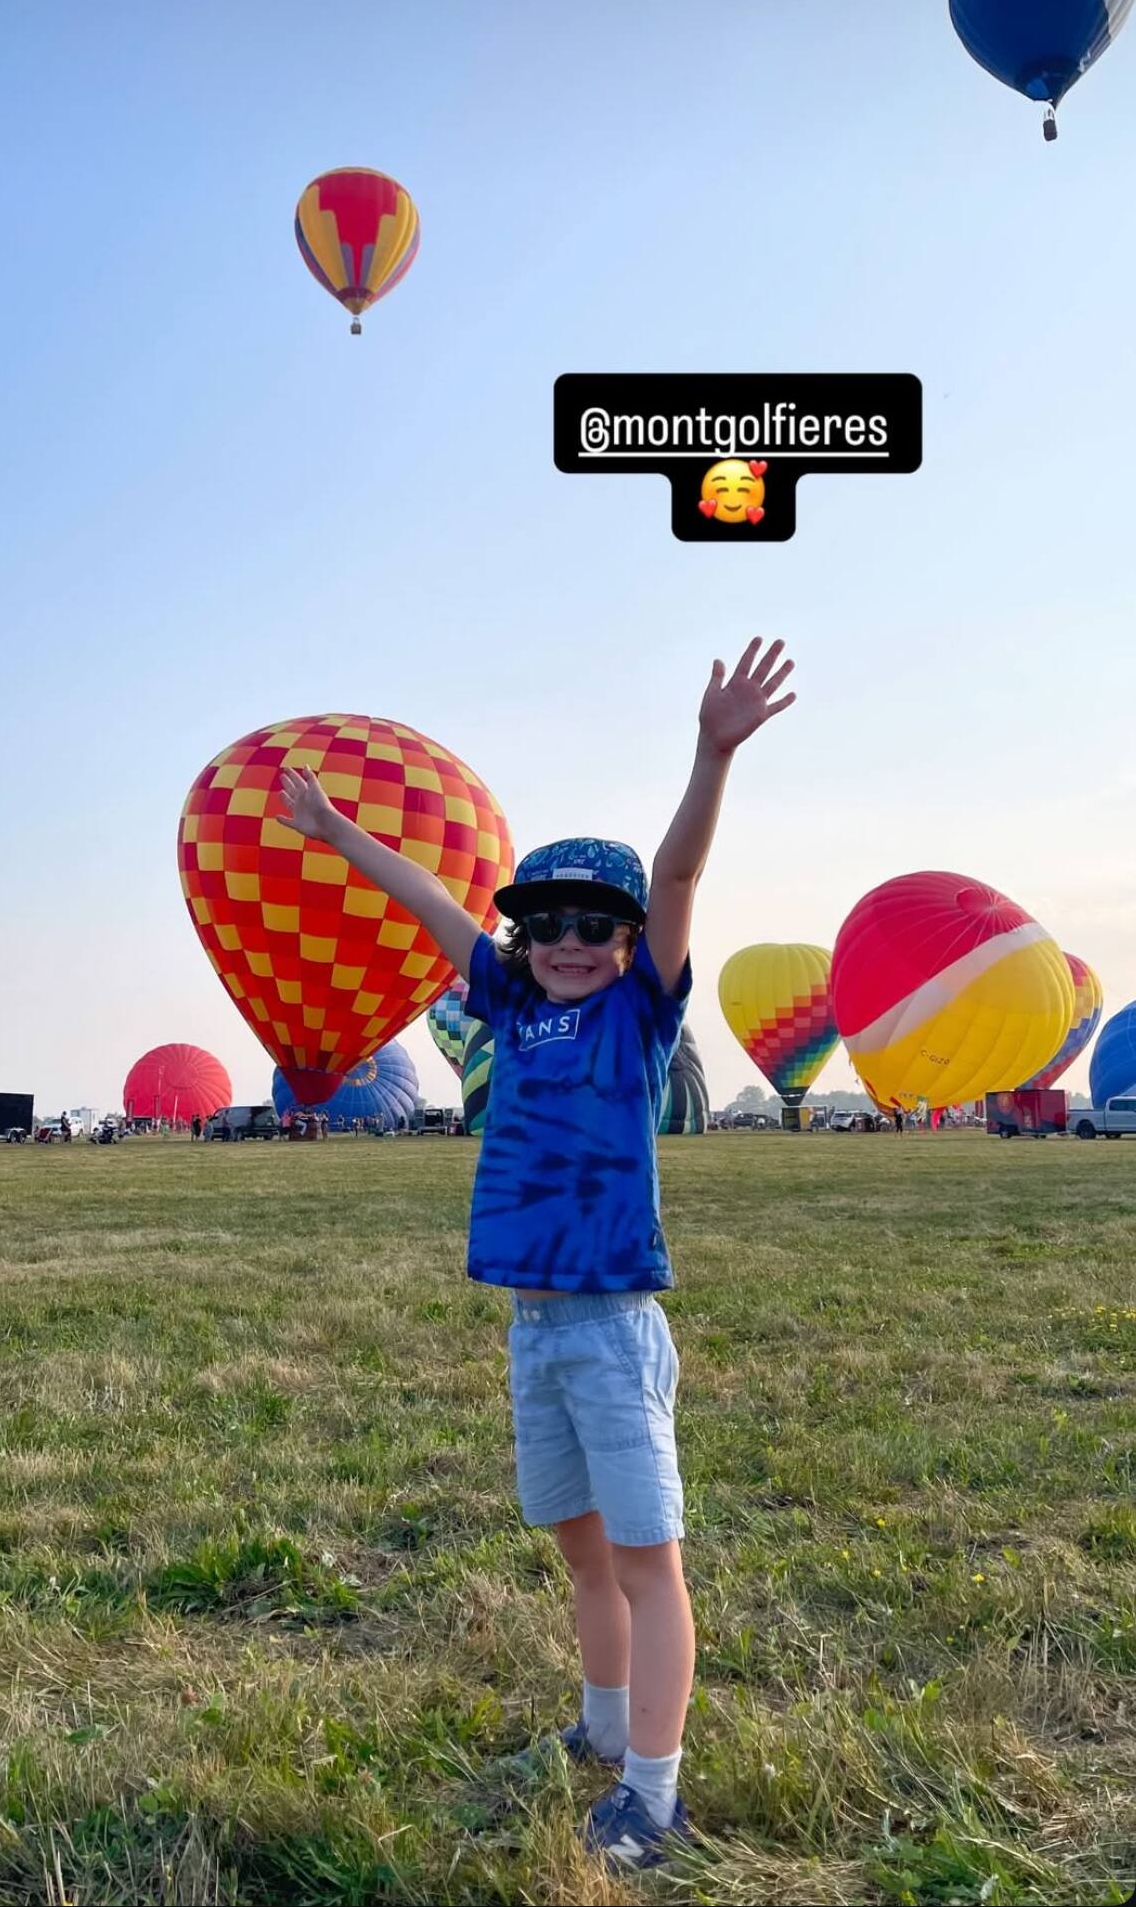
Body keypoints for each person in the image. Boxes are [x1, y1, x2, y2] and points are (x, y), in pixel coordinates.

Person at [278, 636, 795, 1869]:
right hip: (532, 1325)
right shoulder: (509, 1004)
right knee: (579, 1546)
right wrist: (336, 832)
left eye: (593, 924)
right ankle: (603, 1727)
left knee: (647, 1559)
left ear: (627, 940)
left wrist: (711, 752)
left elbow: (678, 871)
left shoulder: (638, 1009)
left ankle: (653, 1797)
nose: (568, 938)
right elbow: (429, 900)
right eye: (547, 921)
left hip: (611, 1323)